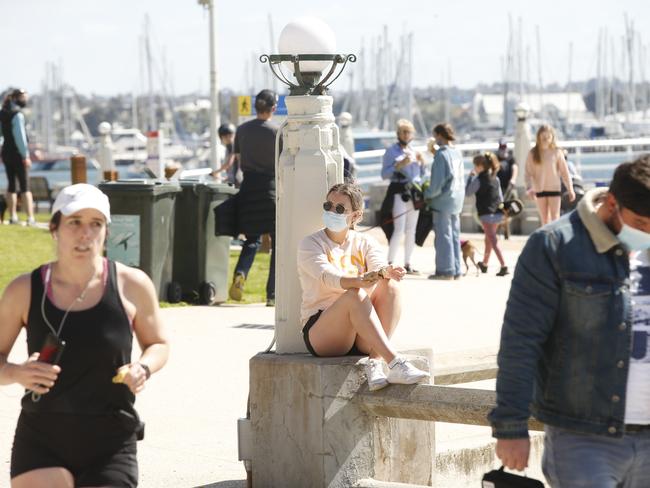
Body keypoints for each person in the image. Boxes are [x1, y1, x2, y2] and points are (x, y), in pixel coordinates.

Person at [489, 156, 650, 487]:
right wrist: (511, 427)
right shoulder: (554, 245)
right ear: (612, 203)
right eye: (642, 223)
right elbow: (521, 341)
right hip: (583, 438)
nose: (649, 232)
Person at [0, 183, 170, 487]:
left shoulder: (132, 284)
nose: (85, 234)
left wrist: (142, 368)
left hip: (111, 437)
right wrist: (16, 372)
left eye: (96, 224)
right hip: (42, 436)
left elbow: (158, 343)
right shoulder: (24, 289)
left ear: (106, 231)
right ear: (54, 229)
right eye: (74, 222)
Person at [298, 183, 430, 391]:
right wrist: (359, 281)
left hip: (361, 332)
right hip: (323, 331)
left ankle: (375, 363)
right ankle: (395, 363)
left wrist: (387, 271)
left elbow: (378, 265)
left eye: (340, 208)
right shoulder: (310, 243)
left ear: (356, 216)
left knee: (391, 286)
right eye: (328, 206)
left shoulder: (365, 241)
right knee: (355, 295)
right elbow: (328, 277)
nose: (332, 211)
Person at [228, 90, 278, 307]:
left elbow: (238, 160)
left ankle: (240, 273)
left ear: (255, 107)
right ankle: (272, 294)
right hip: (270, 189)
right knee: (277, 243)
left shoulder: (241, 130)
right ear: (274, 108)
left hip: (248, 188)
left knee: (251, 240)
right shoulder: (278, 132)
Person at [381, 119, 425, 274]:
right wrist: (397, 166)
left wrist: (423, 163)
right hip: (399, 192)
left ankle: (408, 263)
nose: (406, 135)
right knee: (399, 229)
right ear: (398, 134)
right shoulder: (391, 151)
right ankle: (389, 262)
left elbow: (421, 175)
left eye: (409, 132)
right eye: (404, 132)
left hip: (414, 193)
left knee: (412, 230)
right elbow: (384, 174)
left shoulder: (414, 151)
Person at [425, 123, 465, 280]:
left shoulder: (442, 155)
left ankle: (445, 270)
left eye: (435, 136)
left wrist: (427, 195)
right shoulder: (457, 152)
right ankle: (456, 269)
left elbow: (436, 185)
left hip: (443, 201)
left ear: (439, 135)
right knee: (454, 235)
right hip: (457, 200)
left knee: (443, 236)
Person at [465, 152, 508, 276]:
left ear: (480, 166)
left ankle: (504, 265)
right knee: (488, 239)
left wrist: (470, 177)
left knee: (493, 240)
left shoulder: (478, 180)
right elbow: (500, 197)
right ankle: (484, 264)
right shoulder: (496, 178)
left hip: (486, 214)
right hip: (498, 213)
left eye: (475, 166)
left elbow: (468, 192)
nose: (474, 168)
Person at [524, 125, 575, 226]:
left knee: (555, 217)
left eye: (548, 136)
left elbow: (565, 173)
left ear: (552, 137)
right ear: (538, 137)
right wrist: (529, 188)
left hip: (554, 189)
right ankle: (546, 241)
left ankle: (556, 240)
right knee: (544, 219)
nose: (546, 139)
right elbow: (527, 173)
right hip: (539, 190)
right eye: (543, 136)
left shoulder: (557, 152)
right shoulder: (533, 153)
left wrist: (570, 189)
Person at [0, 88, 35, 226]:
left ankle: (13, 216)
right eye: (24, 97)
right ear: (17, 98)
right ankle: (30, 218)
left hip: (6, 153)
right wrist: (25, 156)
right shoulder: (17, 115)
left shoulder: (3, 113)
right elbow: (20, 137)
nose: (25, 99)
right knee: (25, 186)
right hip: (18, 154)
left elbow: (1, 135)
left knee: (11, 186)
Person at [213, 123, 240, 187]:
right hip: (233, 180)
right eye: (225, 136)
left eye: (230, 136)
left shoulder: (234, 146)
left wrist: (215, 172)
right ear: (221, 138)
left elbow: (229, 163)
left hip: (238, 181)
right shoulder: (229, 147)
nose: (229, 139)